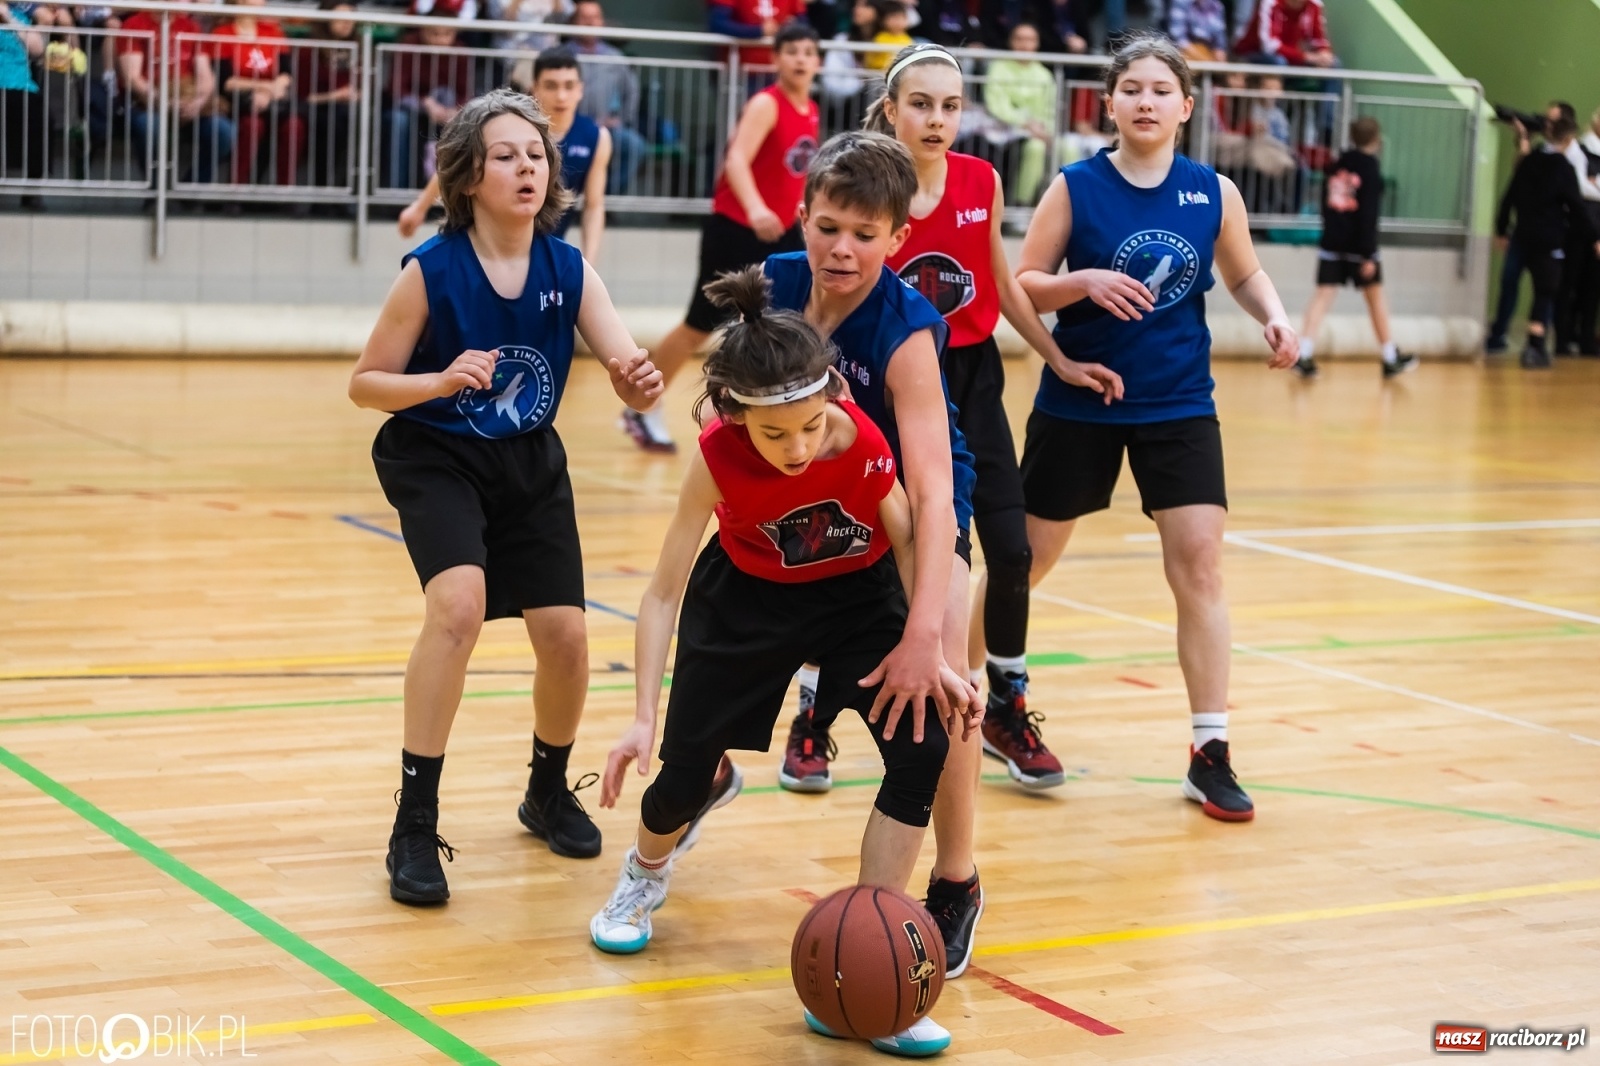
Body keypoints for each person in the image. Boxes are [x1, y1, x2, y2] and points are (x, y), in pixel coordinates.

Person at [588, 266, 969, 1057]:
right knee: (682, 777)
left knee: (923, 743)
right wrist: (641, 717)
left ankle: (868, 960)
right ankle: (644, 872)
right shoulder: (717, 456)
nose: (798, 448)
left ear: (831, 394)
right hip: (748, 598)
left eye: (810, 426)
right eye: (776, 435)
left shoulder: (860, 440)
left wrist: (924, 646)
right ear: (732, 415)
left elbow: (903, 537)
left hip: (855, 596)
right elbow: (662, 594)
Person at [348, 89, 663, 905]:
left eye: (536, 154)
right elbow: (365, 385)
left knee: (565, 636)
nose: (526, 167)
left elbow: (629, 375)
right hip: (438, 455)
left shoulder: (568, 267)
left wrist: (639, 380)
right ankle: (414, 822)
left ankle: (545, 789)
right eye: (505, 155)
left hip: (527, 460)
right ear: (466, 174)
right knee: (457, 608)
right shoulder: (432, 272)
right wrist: (441, 379)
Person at [782, 45, 1122, 801]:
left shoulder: (982, 179)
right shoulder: (864, 186)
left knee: (1011, 546)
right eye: (922, 104)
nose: (937, 119)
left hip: (969, 378)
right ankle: (813, 716)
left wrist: (1058, 361)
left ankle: (1005, 704)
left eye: (950, 105)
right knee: (835, 543)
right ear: (891, 108)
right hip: (877, 381)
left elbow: (1001, 279)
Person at [1014, 33, 1301, 824]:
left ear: (1186, 106)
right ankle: (978, 689)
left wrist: (1275, 318)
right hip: (1084, 400)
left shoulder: (1213, 190)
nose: (1145, 100)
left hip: (1179, 402)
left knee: (1201, 565)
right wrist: (1082, 281)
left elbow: (1242, 272)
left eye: (1159, 89)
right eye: (1130, 88)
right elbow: (1025, 286)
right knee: (1024, 562)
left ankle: (1210, 751)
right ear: (1109, 103)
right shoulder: (1075, 187)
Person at [757, 131, 990, 989]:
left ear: (898, 239)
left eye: (865, 233)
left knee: (951, 671)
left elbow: (931, 495)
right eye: (828, 227)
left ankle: (957, 878)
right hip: (812, 497)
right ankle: (704, 766)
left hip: (908, 504)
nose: (842, 248)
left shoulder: (906, 329)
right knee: (721, 619)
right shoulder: (774, 287)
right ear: (803, 219)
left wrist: (925, 631)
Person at [626, 20, 821, 453]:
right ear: (776, 59)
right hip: (737, 227)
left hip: (782, 231)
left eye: (808, 52)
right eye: (792, 52)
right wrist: (755, 208)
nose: (801, 60)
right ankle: (641, 404)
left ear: (818, 61)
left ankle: (764, 411)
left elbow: (793, 174)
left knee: (788, 321)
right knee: (700, 323)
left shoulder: (810, 109)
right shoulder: (766, 105)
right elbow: (736, 161)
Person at [399, 49, 611, 264]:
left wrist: (590, 264)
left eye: (569, 86)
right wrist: (420, 207)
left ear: (580, 90)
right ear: (534, 89)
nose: (561, 96)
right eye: (551, 86)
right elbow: (460, 165)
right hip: (483, 246)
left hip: (543, 252)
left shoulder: (596, 137)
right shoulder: (509, 127)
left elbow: (593, 205)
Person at [1294, 116, 1414, 378]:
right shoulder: (1370, 168)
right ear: (1377, 139)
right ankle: (1389, 357)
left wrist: (1331, 232)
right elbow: (1368, 214)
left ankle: (1302, 352)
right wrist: (1369, 254)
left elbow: (1328, 204)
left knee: (1322, 296)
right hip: (1359, 247)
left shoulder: (1338, 164)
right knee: (1376, 299)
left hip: (1332, 242)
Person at [1495, 112, 1600, 370]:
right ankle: (1535, 344)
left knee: (1510, 283)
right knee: (1545, 291)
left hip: (1522, 234)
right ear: (1568, 138)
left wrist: (1501, 228)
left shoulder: (1530, 161)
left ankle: (1497, 336)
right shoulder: (1563, 169)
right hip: (1548, 239)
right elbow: (1576, 207)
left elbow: (1509, 196)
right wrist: (1595, 237)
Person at [116, 0, 235, 186]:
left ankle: (191, 188)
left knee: (224, 132)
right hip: (148, 103)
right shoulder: (134, 24)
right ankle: (157, 190)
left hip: (188, 100)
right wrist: (164, 102)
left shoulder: (190, 27)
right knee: (150, 127)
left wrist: (198, 102)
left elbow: (206, 75)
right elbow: (133, 78)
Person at [207, 0, 305, 188]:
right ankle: (236, 188)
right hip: (238, 99)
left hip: (273, 98)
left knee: (294, 126)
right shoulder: (222, 33)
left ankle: (285, 189)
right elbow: (225, 81)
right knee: (252, 125)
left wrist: (271, 90)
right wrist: (263, 87)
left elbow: (287, 73)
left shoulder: (273, 31)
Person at [567, 0, 646, 196]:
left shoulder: (615, 57)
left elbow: (632, 92)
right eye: (584, 18)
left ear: (602, 22)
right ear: (574, 23)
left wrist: (620, 118)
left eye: (594, 18)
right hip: (569, 126)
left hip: (604, 127)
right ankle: (567, 202)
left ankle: (604, 195)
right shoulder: (562, 55)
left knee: (636, 146)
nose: (590, 23)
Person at [299, 0, 360, 191]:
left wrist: (359, 94)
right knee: (333, 123)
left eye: (351, 17)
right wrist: (335, 96)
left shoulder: (360, 46)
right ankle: (325, 190)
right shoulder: (310, 48)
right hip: (317, 108)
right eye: (341, 17)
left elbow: (367, 85)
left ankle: (349, 191)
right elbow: (303, 95)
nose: (347, 22)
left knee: (359, 120)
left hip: (349, 109)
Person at [0, 0, 46, 198]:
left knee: (39, 117)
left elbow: (37, 50)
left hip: (21, 84)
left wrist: (8, 18)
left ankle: (31, 189)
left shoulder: (18, 17)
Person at [1233, 0, 1335, 68]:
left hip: (1295, 54)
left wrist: (1324, 53)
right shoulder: (1270, 3)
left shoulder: (1314, 5)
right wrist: (1306, 57)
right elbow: (1269, 46)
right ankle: (1279, 101)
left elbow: (1319, 38)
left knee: (1334, 64)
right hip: (1255, 52)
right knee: (1279, 62)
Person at [863, 0, 911, 72]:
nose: (898, 22)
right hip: (879, 74)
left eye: (901, 17)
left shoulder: (907, 39)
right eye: (894, 18)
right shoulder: (880, 38)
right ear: (883, 20)